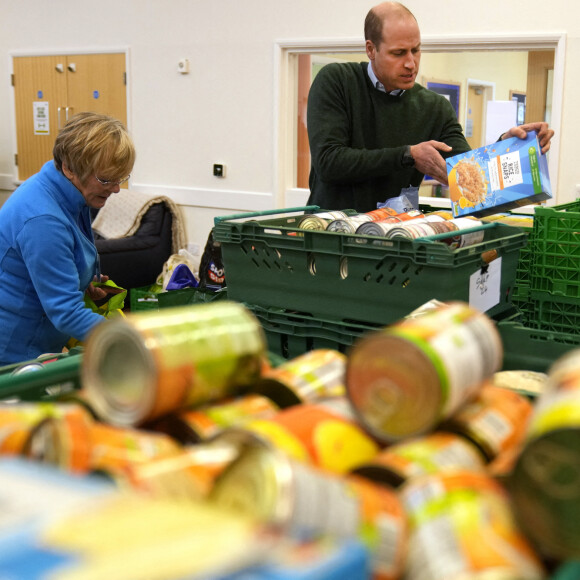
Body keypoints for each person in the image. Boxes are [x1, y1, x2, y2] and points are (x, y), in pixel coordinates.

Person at [306, 1, 555, 213]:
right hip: (333, 238)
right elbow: (329, 162)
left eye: (416, 50)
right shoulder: (338, 81)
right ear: (371, 49)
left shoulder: (434, 108)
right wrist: (408, 155)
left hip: (397, 238)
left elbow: (470, 177)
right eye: (399, 53)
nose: (411, 63)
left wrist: (507, 146)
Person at [0, 112, 136, 366]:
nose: (117, 188)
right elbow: (66, 312)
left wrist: (82, 283)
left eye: (120, 178)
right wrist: (134, 342)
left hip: (36, 342)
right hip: (13, 352)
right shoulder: (43, 221)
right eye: (106, 179)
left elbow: (48, 266)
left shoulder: (68, 191)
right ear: (69, 168)